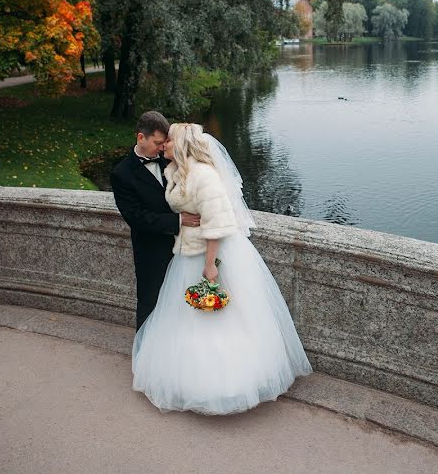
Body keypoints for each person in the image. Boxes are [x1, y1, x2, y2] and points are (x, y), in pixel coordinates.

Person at [132, 123, 312, 415]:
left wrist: (210, 266)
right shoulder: (177, 172)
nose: (164, 143)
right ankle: (186, 378)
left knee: (215, 318)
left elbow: (218, 225)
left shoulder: (204, 176)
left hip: (208, 256)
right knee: (186, 319)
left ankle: (225, 384)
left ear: (182, 144)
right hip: (186, 253)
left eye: (169, 140)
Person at [111, 111, 201, 330]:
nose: (162, 148)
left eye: (164, 143)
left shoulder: (169, 159)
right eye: (157, 143)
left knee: (182, 300)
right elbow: (136, 217)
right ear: (141, 137)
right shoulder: (121, 174)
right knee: (150, 301)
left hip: (185, 246)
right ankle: (143, 354)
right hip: (150, 250)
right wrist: (178, 221)